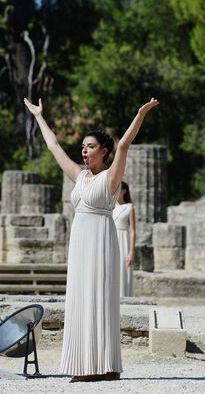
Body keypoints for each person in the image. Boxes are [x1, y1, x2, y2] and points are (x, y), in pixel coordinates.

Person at [24, 96, 158, 382]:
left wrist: (140, 114)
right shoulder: (79, 176)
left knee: (101, 299)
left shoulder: (111, 177)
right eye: (83, 147)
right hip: (80, 243)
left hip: (102, 240)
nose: (84, 152)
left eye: (91, 147)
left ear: (104, 151)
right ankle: (85, 363)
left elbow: (124, 144)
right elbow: (54, 146)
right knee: (80, 298)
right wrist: (38, 117)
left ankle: (105, 366)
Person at [113, 181, 136, 297]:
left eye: (118, 188)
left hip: (123, 241)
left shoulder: (129, 207)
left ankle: (124, 298)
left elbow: (132, 231)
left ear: (124, 191)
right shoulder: (109, 206)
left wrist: (131, 252)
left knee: (123, 270)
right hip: (111, 240)